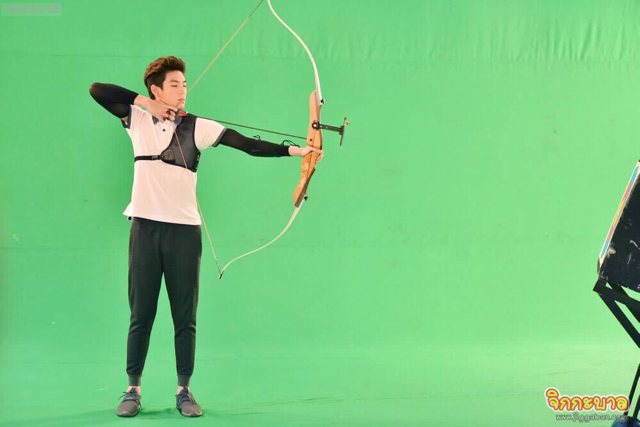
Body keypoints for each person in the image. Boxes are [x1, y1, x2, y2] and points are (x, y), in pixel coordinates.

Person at [89, 55, 323, 418]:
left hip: (184, 233)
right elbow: (97, 90)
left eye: (184, 84)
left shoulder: (197, 127)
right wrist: (145, 103)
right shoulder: (136, 118)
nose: (183, 90)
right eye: (174, 85)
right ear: (156, 89)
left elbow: (247, 144)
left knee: (185, 316)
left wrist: (298, 151)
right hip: (145, 230)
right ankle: (133, 390)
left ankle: (184, 391)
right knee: (141, 314)